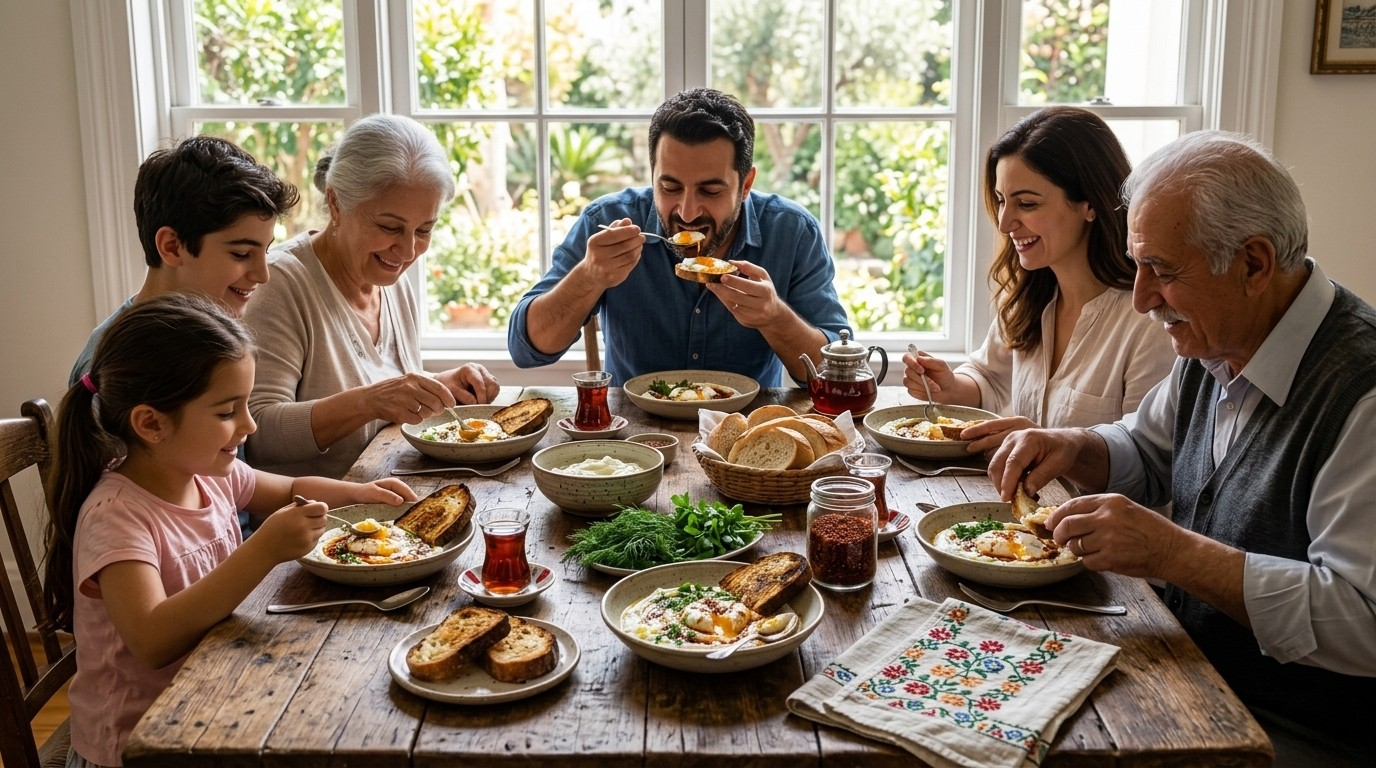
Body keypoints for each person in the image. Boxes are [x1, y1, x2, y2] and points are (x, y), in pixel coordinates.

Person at [989, 131, 1373, 766]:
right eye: (1139, 266)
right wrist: (1072, 445)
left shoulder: (1361, 395)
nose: (1141, 299)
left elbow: (1362, 619)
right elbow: (1146, 448)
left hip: (1296, 729)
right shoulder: (1214, 340)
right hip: (1187, 668)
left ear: (1254, 263)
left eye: (1162, 271)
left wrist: (1174, 553)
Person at [43, 294, 418, 768]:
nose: (249, 424)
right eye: (227, 412)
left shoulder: (205, 473)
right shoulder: (116, 514)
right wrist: (261, 550)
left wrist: (362, 493)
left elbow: (290, 489)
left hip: (213, 699)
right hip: (138, 746)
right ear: (151, 423)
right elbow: (152, 639)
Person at [506, 87, 849, 387]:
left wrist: (776, 317)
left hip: (746, 441)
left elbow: (836, 374)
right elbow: (526, 350)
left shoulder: (792, 232)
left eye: (710, 190)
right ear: (652, 175)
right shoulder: (607, 220)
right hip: (634, 443)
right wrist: (587, 278)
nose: (686, 212)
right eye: (669, 187)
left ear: (745, 185)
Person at [903, 107, 1175, 453]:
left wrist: (1052, 447)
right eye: (1001, 201)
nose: (1004, 223)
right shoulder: (1027, 296)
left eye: (1027, 204)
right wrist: (951, 386)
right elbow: (989, 376)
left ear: (1090, 204)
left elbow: (1148, 462)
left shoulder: (1148, 322)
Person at [243, 114, 500, 479]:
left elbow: (379, 386)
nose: (408, 249)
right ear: (335, 204)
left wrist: (440, 385)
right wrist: (370, 400)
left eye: (424, 229)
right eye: (389, 227)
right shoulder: (280, 282)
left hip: (391, 507)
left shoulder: (391, 280)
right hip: (315, 523)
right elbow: (257, 434)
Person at [68, 135, 299, 387]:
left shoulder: (204, 341)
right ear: (172, 247)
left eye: (265, 251)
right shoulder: (119, 368)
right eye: (241, 254)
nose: (262, 275)